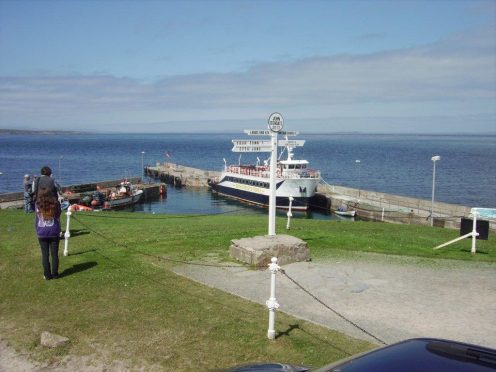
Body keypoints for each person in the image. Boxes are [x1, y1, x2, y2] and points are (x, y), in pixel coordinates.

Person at [35, 188, 61, 280]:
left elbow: (37, 218)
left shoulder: (37, 205)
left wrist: (37, 230)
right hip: (54, 231)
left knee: (45, 255)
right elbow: (58, 216)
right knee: (54, 254)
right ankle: (55, 274)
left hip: (42, 232)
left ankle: (47, 275)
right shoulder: (56, 204)